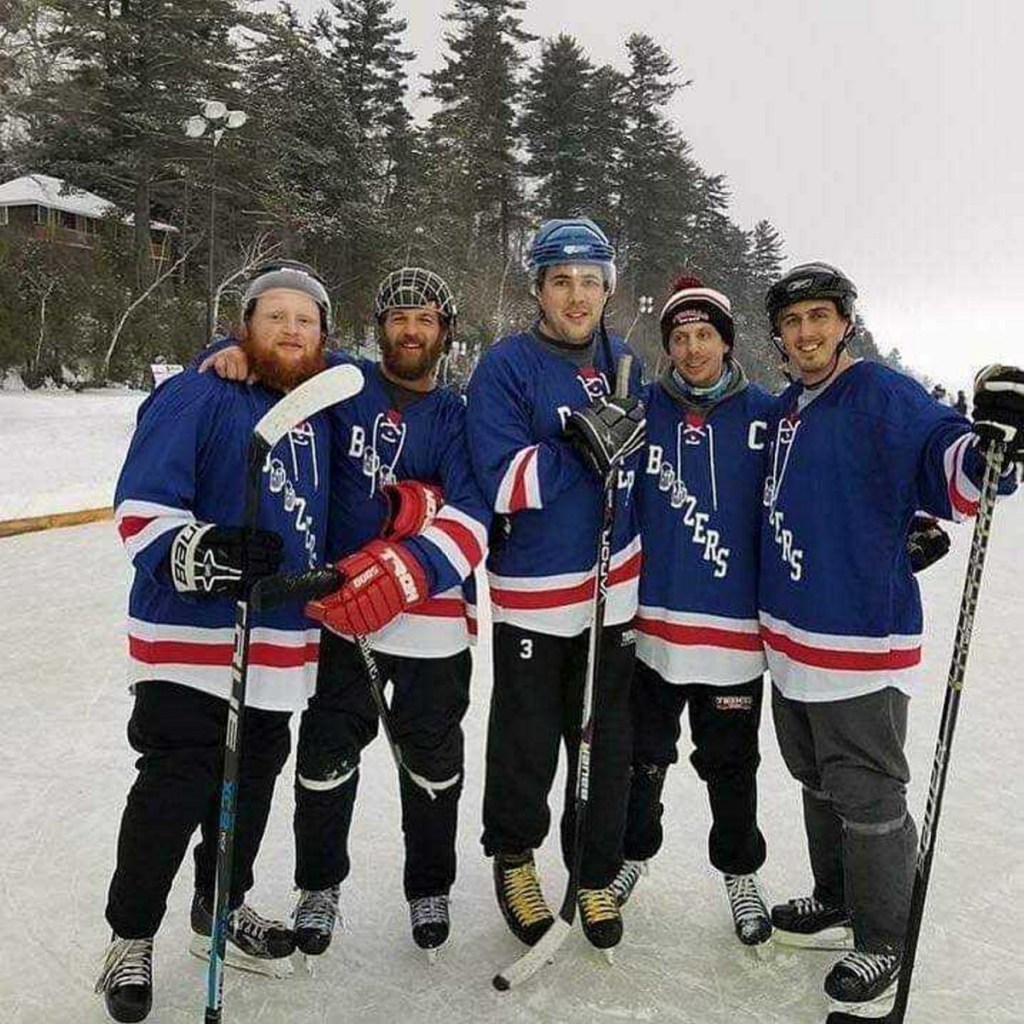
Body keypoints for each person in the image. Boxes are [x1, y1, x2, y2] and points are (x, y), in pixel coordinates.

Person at [202, 267, 489, 960]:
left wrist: (416, 538)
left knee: (432, 763)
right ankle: (318, 885)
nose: (411, 330)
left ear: (444, 333)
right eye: (399, 319)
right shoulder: (340, 383)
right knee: (326, 759)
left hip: (432, 622)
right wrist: (219, 352)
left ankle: (429, 883)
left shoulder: (456, 413)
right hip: (339, 614)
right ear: (379, 327)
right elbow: (275, 355)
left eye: (424, 319)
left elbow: (475, 511)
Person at [758, 261, 1022, 1016]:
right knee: (815, 779)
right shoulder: (786, 409)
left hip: (857, 642)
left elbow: (947, 459)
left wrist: (989, 447)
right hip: (791, 642)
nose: (806, 333)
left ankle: (884, 937)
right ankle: (836, 898)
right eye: (793, 322)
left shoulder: (878, 393)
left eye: (820, 318)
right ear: (779, 335)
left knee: (870, 797)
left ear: (844, 323)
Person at [95, 261, 335, 1023]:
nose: (291, 330)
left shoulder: (322, 406)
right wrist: (202, 553)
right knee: (174, 787)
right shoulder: (199, 392)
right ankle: (130, 937)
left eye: (307, 319)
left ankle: (219, 906)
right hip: (190, 636)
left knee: (253, 784)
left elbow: (374, 374)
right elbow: (139, 506)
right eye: (275, 317)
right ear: (245, 324)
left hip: (278, 644)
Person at [465, 218, 646, 955]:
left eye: (591, 281)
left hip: (615, 587)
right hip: (537, 591)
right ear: (537, 287)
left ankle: (595, 871)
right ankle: (516, 860)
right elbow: (503, 481)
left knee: (605, 743)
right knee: (527, 742)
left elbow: (645, 472)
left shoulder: (627, 360)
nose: (577, 296)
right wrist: (577, 447)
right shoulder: (506, 366)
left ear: (610, 288)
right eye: (562, 281)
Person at [610, 276, 775, 948]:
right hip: (655, 631)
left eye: (704, 333)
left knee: (731, 763)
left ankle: (740, 873)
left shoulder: (767, 413)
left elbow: (823, 480)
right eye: (679, 337)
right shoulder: (643, 409)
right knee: (645, 757)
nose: (692, 347)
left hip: (736, 637)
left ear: (726, 341)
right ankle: (630, 856)